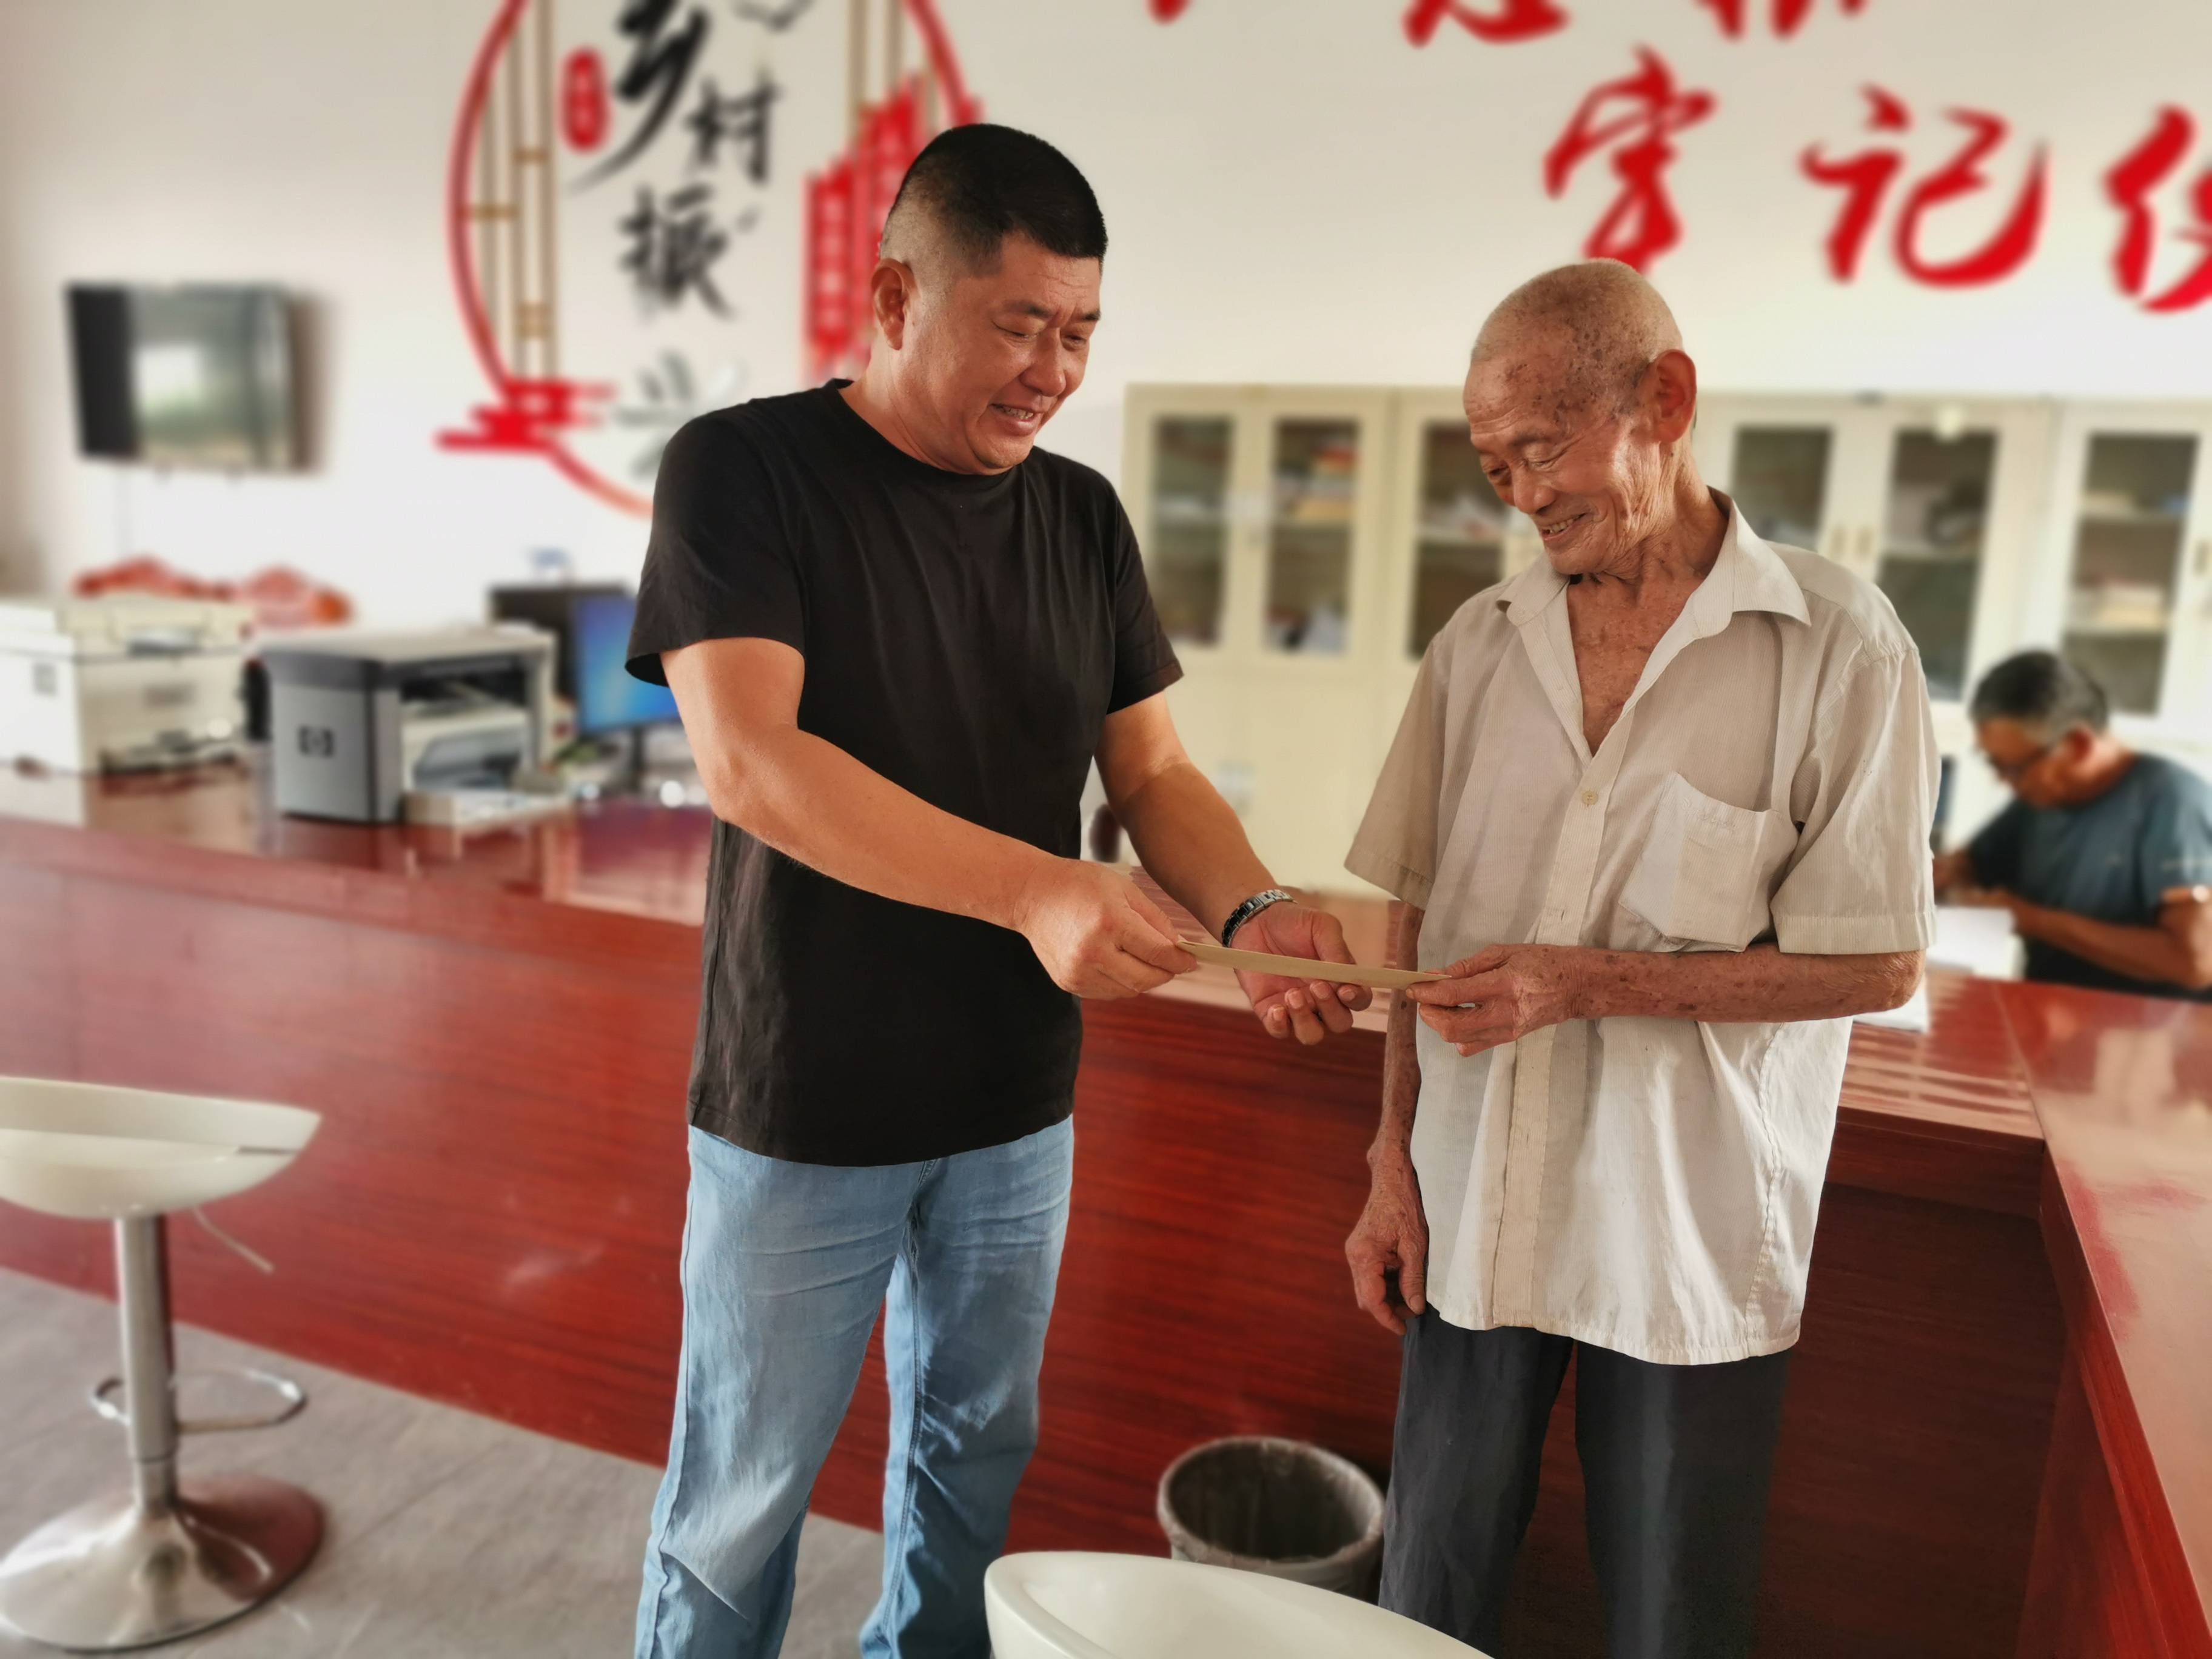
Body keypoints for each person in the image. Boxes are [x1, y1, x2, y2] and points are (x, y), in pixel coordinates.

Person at [623, 124, 1370, 1659]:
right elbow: (752, 762)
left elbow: (1153, 773)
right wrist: (1038, 891)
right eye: (1020, 325)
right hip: (805, 1100)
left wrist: (1253, 913)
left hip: (1014, 1102)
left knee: (972, 1465)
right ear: (897, 296)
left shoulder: (1079, 516)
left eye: (1081, 332)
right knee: (741, 1499)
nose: (1053, 371)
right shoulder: (744, 469)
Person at [1341, 260, 1934, 1659]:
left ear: (1664, 399)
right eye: (1494, 465)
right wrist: (1388, 1161)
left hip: (1687, 1228)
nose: (1521, 494)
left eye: (1541, 447)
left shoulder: (1840, 647)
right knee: (1427, 1590)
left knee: (1676, 1613)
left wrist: (1584, 981)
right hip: (1475, 1198)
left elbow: (1879, 965)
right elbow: (1413, 924)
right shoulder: (1478, 647)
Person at [1934, 650, 2212, 999]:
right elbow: (1971, 864)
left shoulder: (2173, 802)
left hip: (2149, 1027)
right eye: (1994, 764)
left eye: (2015, 768)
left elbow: (2196, 961)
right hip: (2046, 1013)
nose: (2004, 781)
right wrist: (1953, 875)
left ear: (2078, 744)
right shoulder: (2041, 798)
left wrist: (2036, 921)